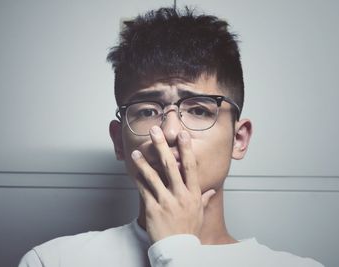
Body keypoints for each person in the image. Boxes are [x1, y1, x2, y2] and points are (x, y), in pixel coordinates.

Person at [19, 7, 323, 267]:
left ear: (239, 139)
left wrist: (177, 250)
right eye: (147, 111)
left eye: (199, 110)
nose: (170, 131)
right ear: (118, 142)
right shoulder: (54, 261)